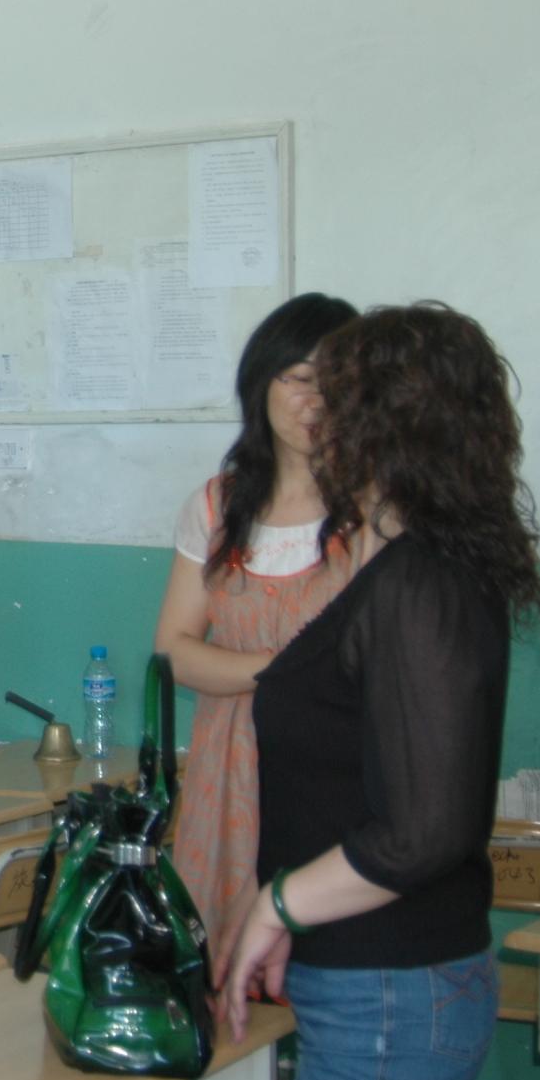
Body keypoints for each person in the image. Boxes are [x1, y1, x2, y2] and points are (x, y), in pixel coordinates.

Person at [218, 304, 540, 1080]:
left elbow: (424, 831)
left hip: (393, 993)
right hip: (372, 983)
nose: (316, 415)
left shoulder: (422, 585)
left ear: (383, 427)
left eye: (337, 397)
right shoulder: (399, 567)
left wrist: (279, 905)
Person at [154, 293, 359, 955]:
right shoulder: (219, 506)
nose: (316, 401)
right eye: (299, 379)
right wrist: (286, 668)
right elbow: (175, 652)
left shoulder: (373, 507)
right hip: (230, 767)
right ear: (260, 384)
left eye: (336, 383)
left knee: (325, 955)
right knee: (221, 961)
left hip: (335, 769)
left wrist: (261, 671)